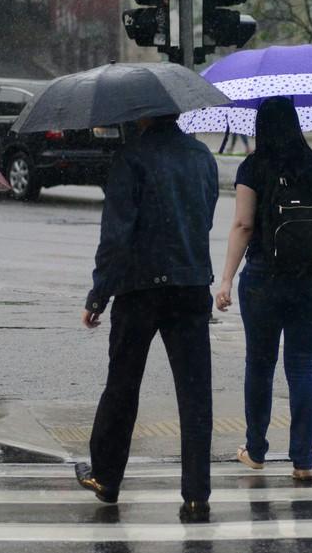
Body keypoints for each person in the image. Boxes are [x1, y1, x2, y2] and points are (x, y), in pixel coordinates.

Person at [74, 113, 218, 524]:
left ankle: (106, 476)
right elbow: (204, 219)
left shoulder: (130, 158)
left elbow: (115, 236)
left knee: (123, 385)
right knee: (195, 397)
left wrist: (99, 294)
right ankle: (196, 496)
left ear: (142, 115)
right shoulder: (202, 156)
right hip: (191, 287)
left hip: (139, 289)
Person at [215, 96, 312, 481]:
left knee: (260, 364)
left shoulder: (253, 168)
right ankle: (302, 460)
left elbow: (243, 226)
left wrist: (225, 280)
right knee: (303, 365)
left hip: (264, 281)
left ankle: (255, 451)